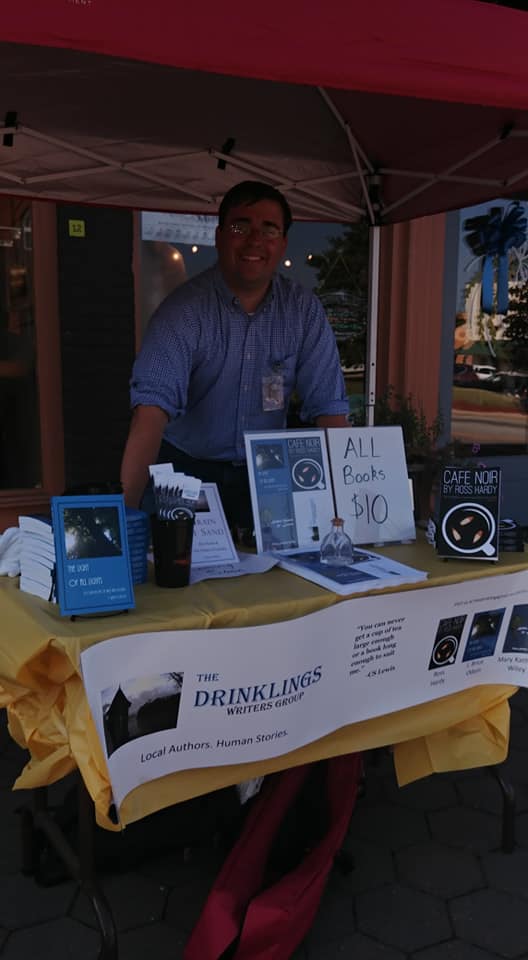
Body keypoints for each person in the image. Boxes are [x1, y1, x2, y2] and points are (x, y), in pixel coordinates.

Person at [120, 180, 349, 530]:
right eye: (241, 227)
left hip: (268, 475)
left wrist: (346, 508)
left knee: (277, 567)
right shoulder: (183, 311)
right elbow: (150, 414)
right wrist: (125, 518)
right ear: (220, 236)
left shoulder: (302, 311)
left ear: (283, 243)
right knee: (176, 563)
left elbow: (329, 409)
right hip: (187, 472)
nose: (255, 240)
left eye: (269, 229)